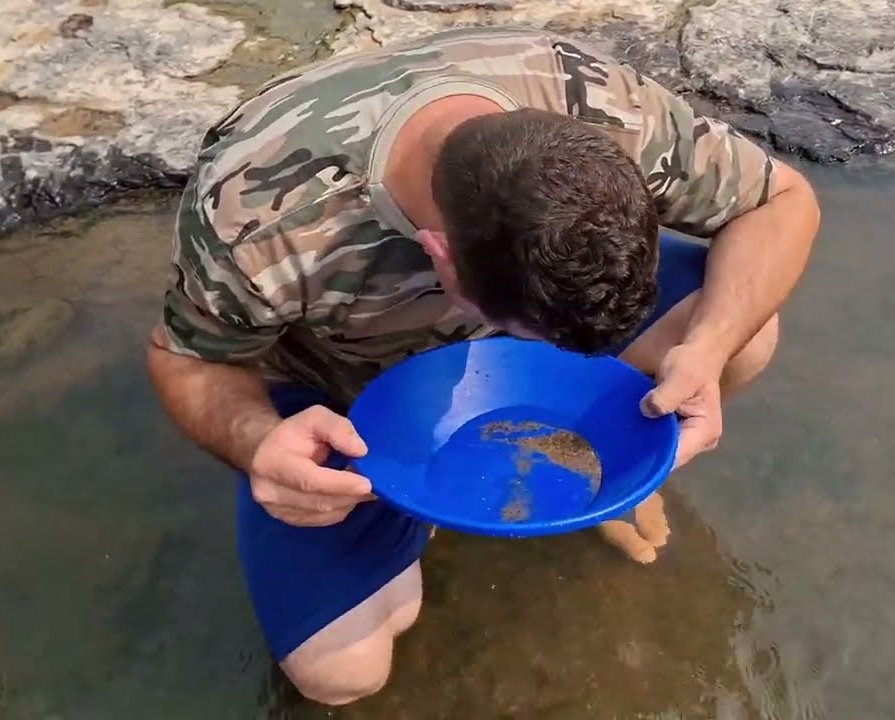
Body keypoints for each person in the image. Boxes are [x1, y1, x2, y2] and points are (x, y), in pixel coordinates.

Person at [145, 25, 819, 707]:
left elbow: (781, 200)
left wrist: (706, 349)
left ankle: (616, 474)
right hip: (342, 386)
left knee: (746, 332)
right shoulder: (259, 217)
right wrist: (259, 444)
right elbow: (187, 359)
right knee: (340, 676)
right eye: (532, 338)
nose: (565, 360)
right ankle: (424, 507)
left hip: (511, 282)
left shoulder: (605, 109)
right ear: (438, 257)